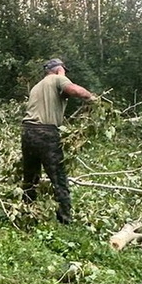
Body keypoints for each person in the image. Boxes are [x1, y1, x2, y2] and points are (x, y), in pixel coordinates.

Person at [22, 58, 97, 224]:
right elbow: (74, 90)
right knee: (59, 178)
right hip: (46, 133)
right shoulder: (58, 78)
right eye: (64, 70)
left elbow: (62, 95)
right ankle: (65, 219)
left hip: (28, 132)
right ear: (58, 69)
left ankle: (26, 211)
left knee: (31, 176)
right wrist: (91, 98)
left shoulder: (37, 86)